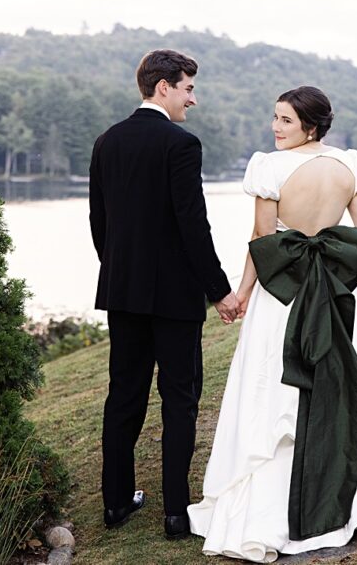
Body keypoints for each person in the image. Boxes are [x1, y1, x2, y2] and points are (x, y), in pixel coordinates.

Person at [188, 86, 357, 562]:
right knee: (335, 374)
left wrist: (240, 294)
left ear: (310, 126)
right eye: (275, 118)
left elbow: (263, 238)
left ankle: (267, 500)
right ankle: (332, 486)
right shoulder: (351, 164)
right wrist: (326, 255)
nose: (275, 128)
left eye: (285, 120)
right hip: (338, 291)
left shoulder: (268, 167)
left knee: (271, 385)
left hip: (284, 292)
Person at [89, 49, 241, 540]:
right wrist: (219, 291)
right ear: (163, 88)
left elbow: (99, 224)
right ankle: (176, 513)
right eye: (188, 88)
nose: (192, 99)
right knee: (179, 399)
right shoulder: (182, 144)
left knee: (124, 396)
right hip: (174, 298)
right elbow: (192, 225)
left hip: (123, 292)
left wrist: (119, 272)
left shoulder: (106, 142)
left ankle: (116, 504)